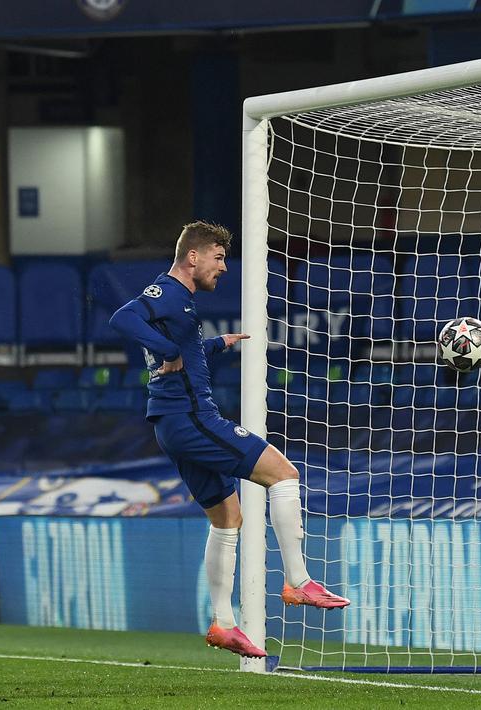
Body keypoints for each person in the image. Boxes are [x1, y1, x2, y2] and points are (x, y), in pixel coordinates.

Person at [109, 221, 349, 660]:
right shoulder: (168, 292)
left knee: (228, 518)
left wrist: (214, 344)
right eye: (218, 258)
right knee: (283, 473)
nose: (223, 267)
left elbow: (179, 346)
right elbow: (123, 317)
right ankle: (298, 581)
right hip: (191, 419)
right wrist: (167, 353)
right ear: (193, 257)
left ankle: (223, 623)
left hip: (173, 424)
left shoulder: (179, 303)